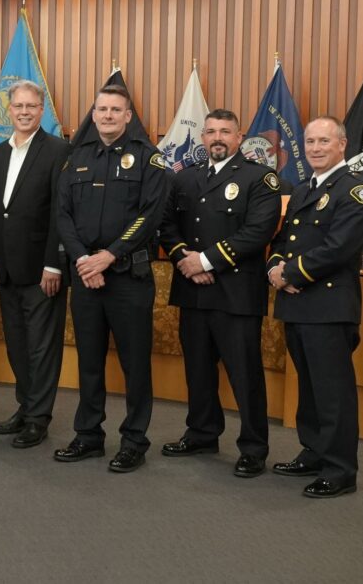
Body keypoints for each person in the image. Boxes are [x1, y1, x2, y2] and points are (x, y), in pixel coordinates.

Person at [158, 109, 281, 477]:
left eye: (225, 132)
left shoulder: (260, 178)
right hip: (192, 291)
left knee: (245, 374)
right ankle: (202, 432)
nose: (216, 138)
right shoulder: (185, 179)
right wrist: (184, 259)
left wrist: (206, 262)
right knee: (197, 369)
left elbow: (258, 232)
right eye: (210, 131)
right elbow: (166, 224)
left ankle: (254, 448)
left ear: (239, 137)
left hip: (235, 293)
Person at [54, 85, 170, 472]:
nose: (106, 115)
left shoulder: (148, 159)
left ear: (127, 115)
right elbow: (63, 215)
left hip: (127, 278)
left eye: (114, 110)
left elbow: (149, 216)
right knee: (89, 362)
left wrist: (109, 255)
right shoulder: (78, 157)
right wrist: (85, 260)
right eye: (101, 109)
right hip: (86, 274)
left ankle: (134, 440)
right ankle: (88, 435)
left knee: (135, 364)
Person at [267, 115, 363, 498]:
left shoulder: (357, 191)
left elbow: (338, 248)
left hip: (329, 306)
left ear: (342, 145)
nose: (315, 148)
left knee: (333, 392)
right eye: (310, 141)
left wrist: (291, 275)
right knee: (310, 387)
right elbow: (284, 240)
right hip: (298, 304)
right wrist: (273, 267)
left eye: (324, 142)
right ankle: (314, 451)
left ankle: (340, 469)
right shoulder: (301, 191)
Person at [0, 80, 70, 449]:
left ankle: (38, 418)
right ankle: (25, 406)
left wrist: (55, 264)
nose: (23, 112)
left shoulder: (58, 150)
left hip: (41, 269)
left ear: (41, 110)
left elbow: (60, 213)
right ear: (9, 109)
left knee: (41, 346)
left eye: (31, 106)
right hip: (4, 267)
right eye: (18, 106)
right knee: (18, 344)